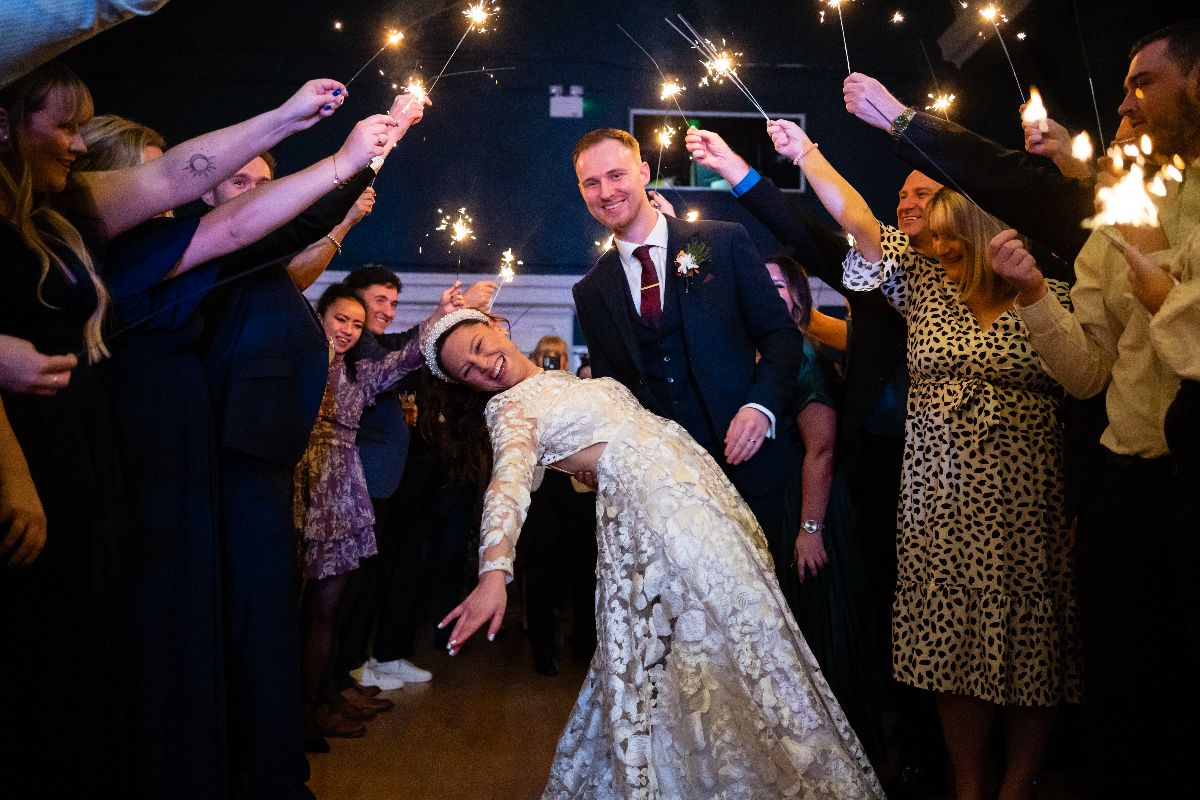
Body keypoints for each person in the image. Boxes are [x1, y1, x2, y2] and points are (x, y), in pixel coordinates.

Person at [0, 61, 351, 797]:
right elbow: (226, 221)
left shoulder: (65, 219)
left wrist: (294, 121)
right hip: (40, 447)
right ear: (5, 124)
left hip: (89, 447)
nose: (74, 144)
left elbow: (193, 191)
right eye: (62, 126)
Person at [430, 307, 884, 799]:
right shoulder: (508, 409)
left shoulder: (556, 380)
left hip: (699, 502)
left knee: (735, 647)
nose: (484, 367)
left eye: (479, 347)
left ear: (496, 326)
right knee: (707, 654)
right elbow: (507, 484)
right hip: (660, 529)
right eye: (468, 372)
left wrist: (597, 468)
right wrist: (493, 571)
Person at [81, 108, 400, 799]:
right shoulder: (133, 255)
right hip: (161, 455)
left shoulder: (159, 248)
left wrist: (355, 165)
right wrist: (341, 160)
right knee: (181, 623)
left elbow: (273, 234)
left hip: (194, 449)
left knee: (205, 623)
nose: (168, 197)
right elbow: (258, 234)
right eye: (156, 180)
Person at [769, 119, 1084, 798]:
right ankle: (968, 785)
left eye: (943, 232)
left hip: (1026, 496)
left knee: (1030, 643)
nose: (930, 243)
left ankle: (1018, 787)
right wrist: (808, 152)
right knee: (948, 647)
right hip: (937, 500)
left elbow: (1086, 392)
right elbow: (856, 220)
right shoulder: (919, 282)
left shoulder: (1053, 290)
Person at [986, 25, 1200, 797]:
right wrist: (1033, 297)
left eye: (1143, 84)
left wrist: (1128, 213)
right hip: (1126, 483)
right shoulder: (1109, 222)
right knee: (1122, 689)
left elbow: (1186, 322)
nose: (1126, 104)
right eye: (1123, 90)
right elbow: (1086, 374)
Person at [571, 128, 804, 550]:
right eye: (591, 183)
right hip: (661, 492)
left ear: (644, 173)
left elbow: (781, 337)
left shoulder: (723, 240)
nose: (606, 192)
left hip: (748, 473)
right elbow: (612, 396)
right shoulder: (591, 291)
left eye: (616, 175)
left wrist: (761, 407)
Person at [295, 282, 460, 750]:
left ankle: (318, 703)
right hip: (301, 487)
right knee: (302, 608)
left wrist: (440, 316)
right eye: (340, 319)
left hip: (344, 493)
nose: (348, 330)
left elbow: (405, 359)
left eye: (356, 323)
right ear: (320, 318)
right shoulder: (301, 362)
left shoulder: (358, 373)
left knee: (331, 607)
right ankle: (297, 714)